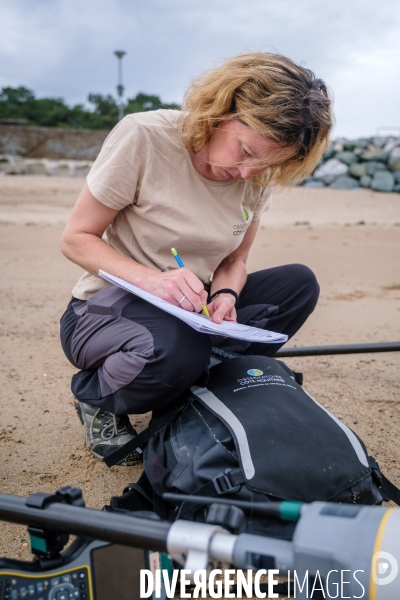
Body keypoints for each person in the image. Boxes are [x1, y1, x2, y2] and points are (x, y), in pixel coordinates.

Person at [60, 52, 333, 464]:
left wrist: (226, 295)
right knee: (178, 347)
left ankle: (189, 389)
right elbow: (76, 239)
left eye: (265, 164)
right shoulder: (145, 136)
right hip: (102, 311)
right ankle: (98, 398)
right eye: (244, 151)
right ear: (223, 108)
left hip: (191, 309)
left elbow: (234, 261)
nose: (247, 174)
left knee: (298, 284)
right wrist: (152, 280)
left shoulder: (256, 173)